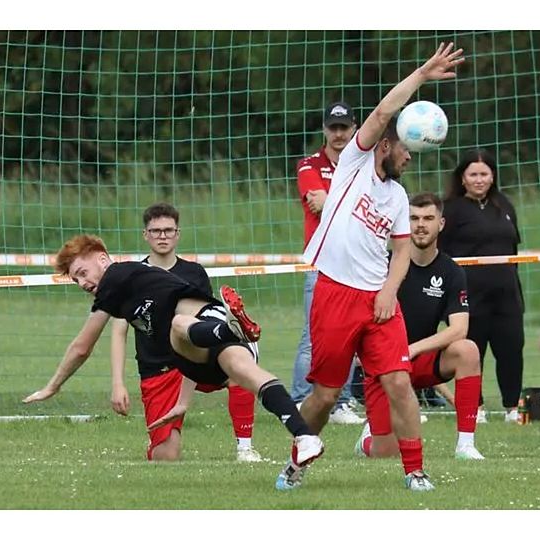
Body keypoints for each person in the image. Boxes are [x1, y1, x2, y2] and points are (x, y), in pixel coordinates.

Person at [285, 42, 465, 493]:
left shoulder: (399, 198)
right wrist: (422, 75)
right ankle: (296, 461)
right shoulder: (355, 162)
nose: (410, 156)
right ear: (385, 144)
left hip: (377, 302)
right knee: (325, 396)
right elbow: (385, 109)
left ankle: (416, 471)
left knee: (400, 382)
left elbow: (402, 251)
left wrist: (388, 291)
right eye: (407, 148)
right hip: (334, 293)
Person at [24, 235, 323, 479]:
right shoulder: (124, 295)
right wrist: (182, 402)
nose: (83, 284)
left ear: (102, 258)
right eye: (76, 280)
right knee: (248, 374)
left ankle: (231, 332)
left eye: (82, 273)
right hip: (200, 353)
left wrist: (53, 386)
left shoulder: (115, 275)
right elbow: (183, 357)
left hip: (205, 322)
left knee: (180, 327)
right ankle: (305, 437)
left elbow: (82, 346)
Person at [109, 203, 261, 462]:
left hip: (195, 359)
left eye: (168, 230)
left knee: (239, 371)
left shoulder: (195, 273)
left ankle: (245, 449)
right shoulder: (131, 278)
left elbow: (204, 322)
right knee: (166, 457)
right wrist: (118, 383)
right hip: (159, 370)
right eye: (155, 231)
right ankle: (158, 443)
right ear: (145, 235)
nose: (162, 236)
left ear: (177, 234)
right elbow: (118, 331)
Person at [354, 192, 485, 461]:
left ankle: (466, 445)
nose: (420, 224)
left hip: (418, 359)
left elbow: (458, 329)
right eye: (413, 218)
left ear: (441, 224)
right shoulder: (382, 264)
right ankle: (368, 439)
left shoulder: (451, 272)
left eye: (428, 218)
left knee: (467, 350)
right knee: (386, 454)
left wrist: (412, 349)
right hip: (384, 364)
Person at [290, 101, 363, 425]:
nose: (338, 134)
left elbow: (356, 203)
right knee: (312, 335)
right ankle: (298, 399)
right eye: (333, 128)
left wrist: (333, 199)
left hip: (355, 263)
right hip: (321, 263)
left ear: (354, 129)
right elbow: (317, 204)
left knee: (346, 335)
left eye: (344, 128)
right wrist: (346, 200)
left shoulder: (362, 165)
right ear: (324, 130)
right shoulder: (308, 165)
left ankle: (342, 403)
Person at [440, 148, 525, 423]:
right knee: (471, 352)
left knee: (512, 350)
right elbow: (440, 255)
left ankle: (513, 407)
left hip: (507, 297)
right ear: (462, 178)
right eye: (473, 174)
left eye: (484, 174)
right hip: (470, 299)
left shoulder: (505, 206)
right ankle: (474, 408)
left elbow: (514, 251)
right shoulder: (451, 210)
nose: (479, 180)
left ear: (492, 176)